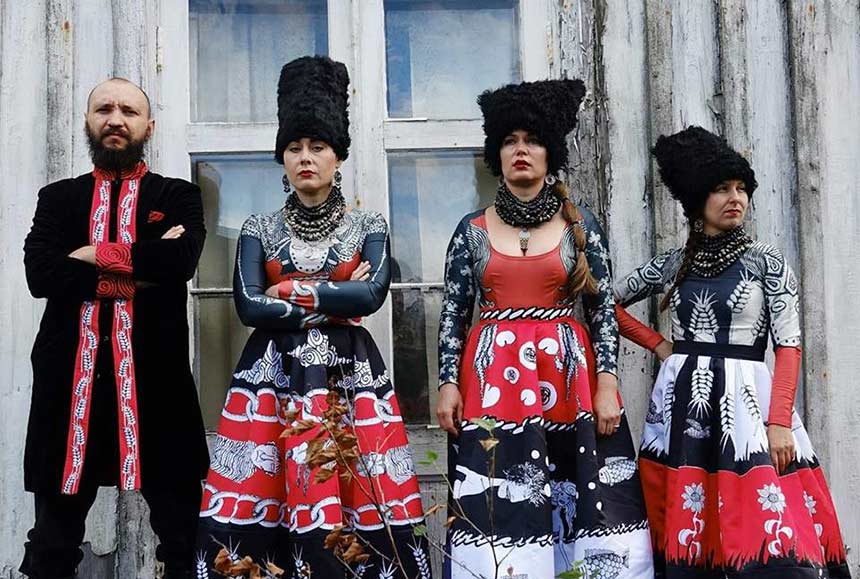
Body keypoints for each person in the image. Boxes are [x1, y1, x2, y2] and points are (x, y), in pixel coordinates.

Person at [196, 56, 430, 578]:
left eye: (318, 147)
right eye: (294, 147)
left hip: (349, 377)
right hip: (272, 378)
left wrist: (286, 289)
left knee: (356, 489)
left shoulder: (369, 224)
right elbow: (247, 305)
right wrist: (334, 296)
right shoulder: (258, 227)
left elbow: (371, 295)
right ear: (282, 158)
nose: (305, 158)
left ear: (338, 156)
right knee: (265, 491)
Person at [435, 79, 653, 579]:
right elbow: (453, 314)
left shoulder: (582, 227)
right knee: (499, 487)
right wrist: (447, 383)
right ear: (497, 154)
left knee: (576, 492)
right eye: (510, 141)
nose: (521, 150)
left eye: (532, 140)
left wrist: (607, 384)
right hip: (493, 384)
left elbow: (602, 311)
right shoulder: (471, 231)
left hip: (568, 382)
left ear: (549, 152)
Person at [614, 126, 851, 578]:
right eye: (722, 188)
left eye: (742, 188)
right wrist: (659, 344)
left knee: (766, 521)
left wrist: (778, 422)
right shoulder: (674, 263)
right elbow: (607, 304)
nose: (735, 198)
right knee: (689, 520)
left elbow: (789, 346)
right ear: (697, 199)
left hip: (747, 406)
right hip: (682, 405)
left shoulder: (766, 262)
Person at [21, 77, 209, 578]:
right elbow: (41, 275)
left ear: (149, 125)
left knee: (183, 540)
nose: (116, 119)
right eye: (104, 109)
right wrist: (139, 268)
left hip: (157, 388)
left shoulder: (178, 195)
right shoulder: (59, 198)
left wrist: (87, 256)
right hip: (71, 390)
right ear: (88, 121)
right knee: (52, 544)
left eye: (129, 111)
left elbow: (179, 261)